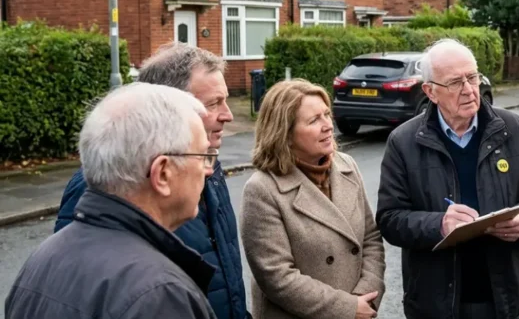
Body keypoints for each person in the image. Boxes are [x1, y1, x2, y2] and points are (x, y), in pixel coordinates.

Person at [54, 42, 248, 319]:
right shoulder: (104, 183)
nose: (228, 114)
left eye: (225, 100)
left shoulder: (209, 167)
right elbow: (80, 296)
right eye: (214, 103)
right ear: (169, 106)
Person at [376, 39, 519, 319]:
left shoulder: (514, 129)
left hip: (505, 300)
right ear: (431, 91)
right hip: (435, 303)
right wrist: (440, 224)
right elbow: (390, 219)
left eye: (472, 77)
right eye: (455, 82)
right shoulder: (403, 142)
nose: (469, 90)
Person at [5, 83, 217, 318]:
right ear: (163, 173)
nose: (208, 170)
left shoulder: (42, 259)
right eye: (203, 156)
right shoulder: (160, 295)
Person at [241, 79, 385, 319]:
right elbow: (277, 277)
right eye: (314, 120)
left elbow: (370, 238)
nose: (328, 125)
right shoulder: (262, 189)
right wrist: (346, 309)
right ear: (285, 134)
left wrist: (365, 297)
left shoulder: (347, 165)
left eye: (327, 115)